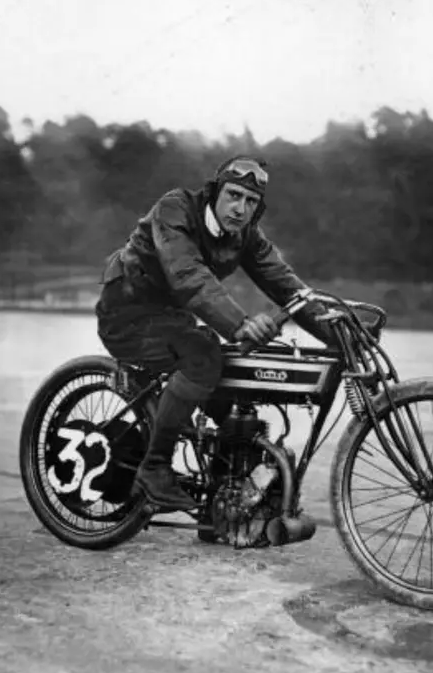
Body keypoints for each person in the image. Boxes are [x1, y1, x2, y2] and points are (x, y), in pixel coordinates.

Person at [94, 155, 336, 512]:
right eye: (234, 195)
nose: (240, 209)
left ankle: (224, 494)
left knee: (228, 372)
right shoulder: (174, 209)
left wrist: (337, 327)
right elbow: (188, 275)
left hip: (171, 318)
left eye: (251, 202)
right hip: (126, 314)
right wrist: (239, 323)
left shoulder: (245, 236)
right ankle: (154, 466)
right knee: (204, 355)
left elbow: (286, 285)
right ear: (215, 192)